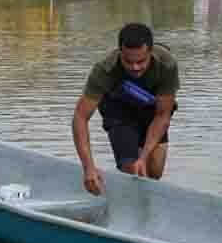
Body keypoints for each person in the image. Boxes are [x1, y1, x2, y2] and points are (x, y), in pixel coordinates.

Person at [72, 23, 180, 195]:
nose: (135, 67)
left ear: (151, 52)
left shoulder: (166, 64)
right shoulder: (104, 69)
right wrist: (88, 167)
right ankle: (126, 190)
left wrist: (144, 156)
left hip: (152, 109)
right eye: (128, 62)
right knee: (133, 169)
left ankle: (134, 165)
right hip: (119, 110)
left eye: (141, 61)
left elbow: (163, 114)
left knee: (154, 171)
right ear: (120, 52)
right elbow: (80, 116)